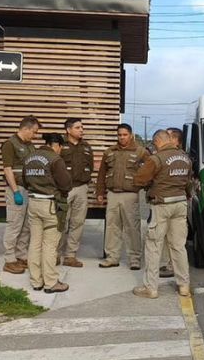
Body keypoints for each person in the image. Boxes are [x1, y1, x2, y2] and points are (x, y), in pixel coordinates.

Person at [132, 129, 192, 299]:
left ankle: (151, 288)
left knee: (154, 245)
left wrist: (150, 183)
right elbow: (188, 182)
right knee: (178, 246)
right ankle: (184, 286)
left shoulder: (156, 159)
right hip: (180, 203)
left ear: (158, 141)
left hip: (162, 204)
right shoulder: (185, 158)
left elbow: (139, 180)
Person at [23, 133, 72, 293]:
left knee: (35, 243)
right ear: (56, 145)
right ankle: (51, 282)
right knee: (50, 245)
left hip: (33, 203)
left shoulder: (30, 157)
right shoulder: (55, 160)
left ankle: (36, 281)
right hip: (50, 204)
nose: (61, 150)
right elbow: (65, 184)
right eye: (61, 147)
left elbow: (24, 180)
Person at [96, 123, 148, 270]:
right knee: (112, 226)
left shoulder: (141, 152)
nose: (122, 138)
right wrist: (100, 192)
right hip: (112, 194)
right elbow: (101, 174)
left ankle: (135, 259)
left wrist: (143, 186)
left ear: (131, 135)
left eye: (125, 135)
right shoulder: (110, 152)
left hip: (130, 195)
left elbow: (150, 170)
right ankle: (112, 257)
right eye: (119, 135)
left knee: (132, 227)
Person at [1, 116, 40, 274]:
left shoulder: (30, 145)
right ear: (26, 129)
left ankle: (21, 256)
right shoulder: (10, 144)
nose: (35, 135)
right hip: (17, 190)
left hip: (29, 190)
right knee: (14, 225)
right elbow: (7, 169)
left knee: (26, 226)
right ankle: (9, 260)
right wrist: (15, 191)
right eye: (34, 132)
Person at [57, 118, 93, 267]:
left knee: (77, 223)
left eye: (82, 127)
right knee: (61, 222)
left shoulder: (86, 146)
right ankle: (55, 254)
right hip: (64, 189)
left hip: (81, 188)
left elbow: (90, 166)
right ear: (68, 130)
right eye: (78, 127)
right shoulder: (60, 145)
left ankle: (70, 256)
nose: (81, 130)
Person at [159, 127, 184, 279]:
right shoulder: (183, 157)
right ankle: (171, 267)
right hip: (174, 201)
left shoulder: (172, 158)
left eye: (167, 136)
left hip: (168, 202)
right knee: (167, 238)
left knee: (172, 239)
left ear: (174, 140)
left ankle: (170, 266)